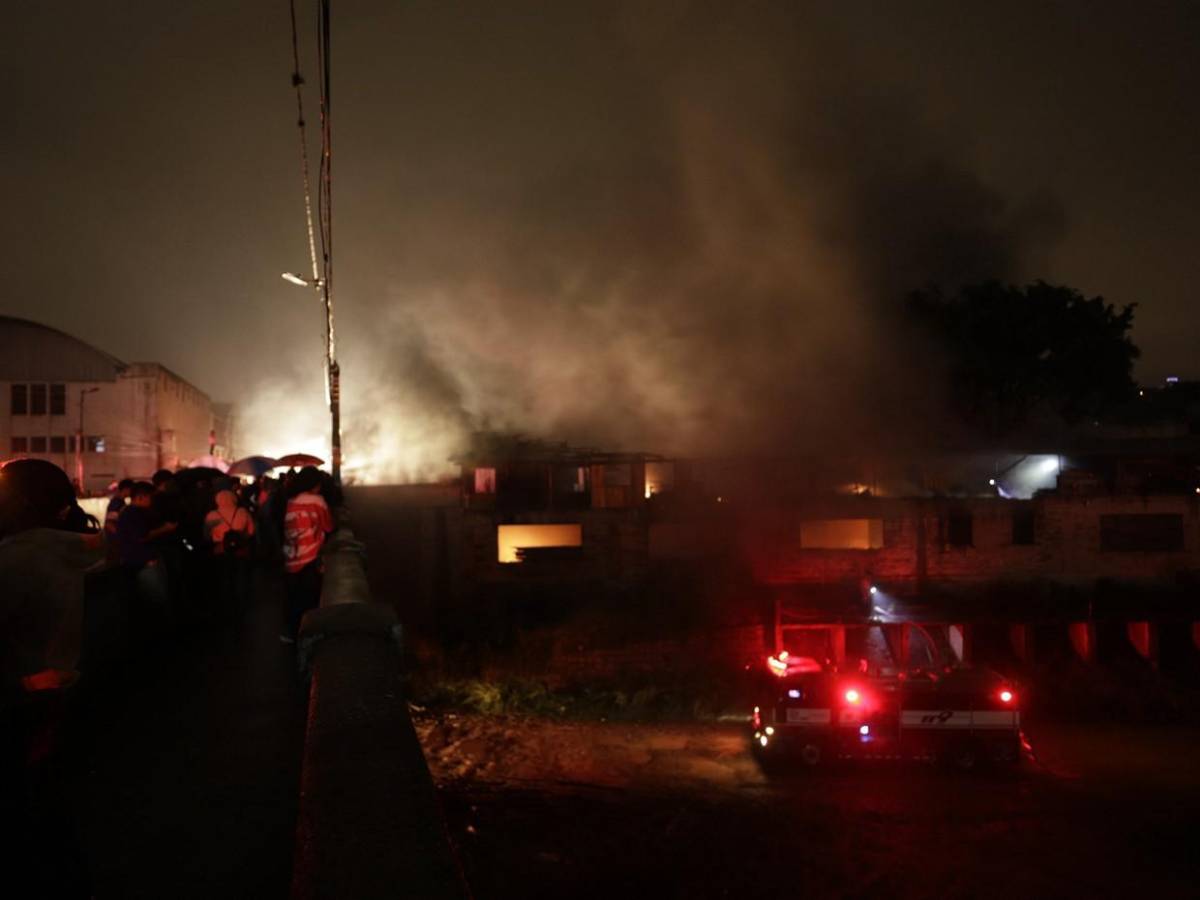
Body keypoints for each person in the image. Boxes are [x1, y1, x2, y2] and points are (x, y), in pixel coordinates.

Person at [0, 459, 103, 897]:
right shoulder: (85, 551)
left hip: (18, 698)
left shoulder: (13, 558)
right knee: (44, 811)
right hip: (60, 697)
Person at [280, 466, 333, 643]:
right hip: (310, 556)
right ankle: (309, 637)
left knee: (293, 597)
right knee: (310, 598)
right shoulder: (318, 501)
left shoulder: (291, 500)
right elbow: (328, 526)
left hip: (291, 555)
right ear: (314, 484)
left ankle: (290, 633)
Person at [204, 488, 255, 612]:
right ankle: (242, 604)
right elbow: (252, 531)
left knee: (224, 576)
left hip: (220, 549)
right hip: (240, 549)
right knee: (240, 576)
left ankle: (226, 604)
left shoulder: (212, 515)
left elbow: (206, 535)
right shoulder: (242, 512)